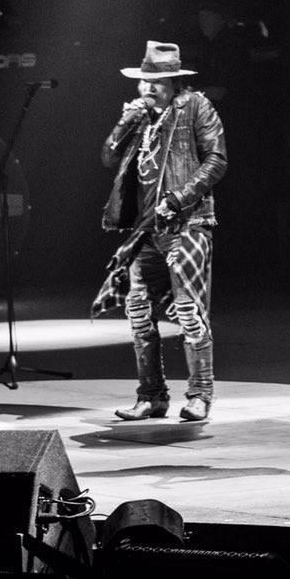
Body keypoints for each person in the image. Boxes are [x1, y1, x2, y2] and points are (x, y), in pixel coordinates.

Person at [101, 41, 228, 422]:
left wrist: (179, 198)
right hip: (147, 230)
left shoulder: (196, 107)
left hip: (188, 223)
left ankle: (200, 395)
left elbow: (216, 161)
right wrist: (126, 120)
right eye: (144, 81)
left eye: (157, 82)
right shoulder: (140, 118)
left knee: (189, 310)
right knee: (138, 311)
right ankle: (152, 396)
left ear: (174, 83)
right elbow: (108, 156)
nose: (148, 88)